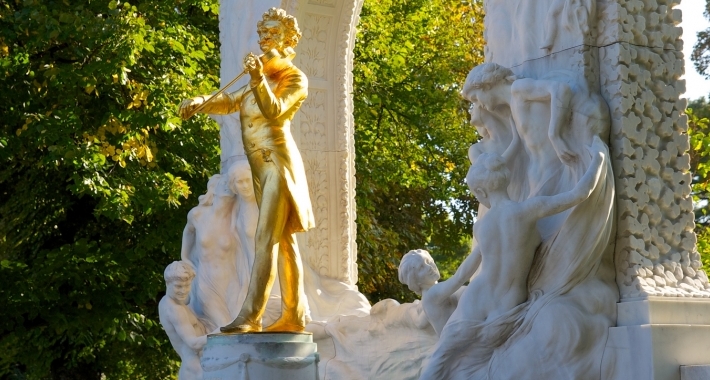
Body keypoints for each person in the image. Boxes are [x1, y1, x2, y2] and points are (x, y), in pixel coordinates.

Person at [419, 137, 606, 380]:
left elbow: (466, 271)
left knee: (441, 361)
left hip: (474, 300)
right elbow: (581, 193)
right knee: (478, 367)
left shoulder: (482, 227)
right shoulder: (528, 211)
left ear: (481, 191)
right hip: (507, 307)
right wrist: (599, 159)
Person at [178, 7, 314, 333]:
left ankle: (251, 316)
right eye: (262, 33)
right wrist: (202, 101)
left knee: (264, 239)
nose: (265, 38)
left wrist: (256, 80)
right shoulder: (261, 79)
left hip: (279, 166)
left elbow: (276, 112)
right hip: (259, 168)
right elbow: (228, 101)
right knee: (282, 241)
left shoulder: (293, 78)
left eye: (273, 33)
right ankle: (294, 316)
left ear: (289, 39)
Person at [181, 174, 239, 329]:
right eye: (224, 183)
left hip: (232, 283)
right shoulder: (197, 214)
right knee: (225, 325)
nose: (228, 187)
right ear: (214, 189)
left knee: (238, 324)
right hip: (206, 282)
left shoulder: (236, 218)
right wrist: (185, 257)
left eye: (230, 184)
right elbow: (189, 233)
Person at [398, 249, 478, 336]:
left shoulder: (426, 300)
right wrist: (479, 250)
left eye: (428, 261)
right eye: (421, 267)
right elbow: (459, 278)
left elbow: (419, 323)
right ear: (415, 281)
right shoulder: (432, 295)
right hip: (462, 342)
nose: (429, 267)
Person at [159, 261, 207, 380]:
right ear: (167, 283)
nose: (183, 291)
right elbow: (194, 343)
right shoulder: (175, 310)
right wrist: (222, 332)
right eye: (178, 286)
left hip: (197, 368)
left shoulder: (169, 302)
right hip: (196, 371)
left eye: (187, 286)